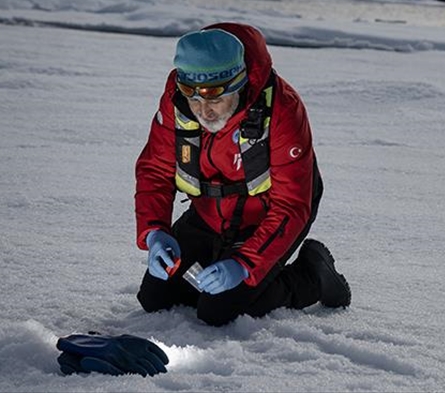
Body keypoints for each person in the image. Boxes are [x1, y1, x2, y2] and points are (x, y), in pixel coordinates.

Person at [134, 22, 351, 326]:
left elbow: (291, 206)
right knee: (155, 299)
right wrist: (155, 231)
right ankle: (220, 263)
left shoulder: (283, 109)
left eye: (214, 99)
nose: (203, 111)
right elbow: (155, 169)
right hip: (208, 212)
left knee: (218, 311)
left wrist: (244, 264)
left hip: (271, 214)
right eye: (194, 99)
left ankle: (313, 274)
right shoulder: (176, 99)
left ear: (239, 83)